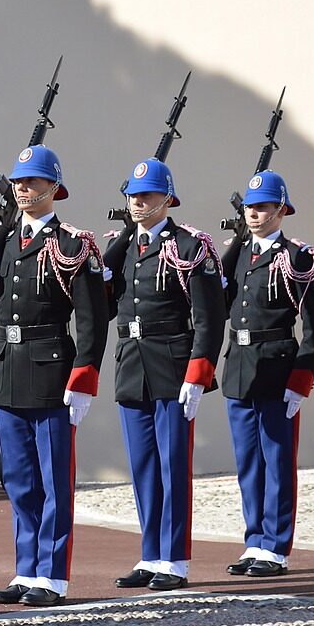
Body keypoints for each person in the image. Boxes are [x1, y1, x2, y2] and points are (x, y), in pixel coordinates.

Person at [0, 145, 106, 607]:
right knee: (19, 479)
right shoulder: (5, 240)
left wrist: (84, 376)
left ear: (53, 187)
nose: (23, 189)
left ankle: (52, 574)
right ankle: (26, 568)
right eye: (18, 182)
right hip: (9, 368)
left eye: (32, 182)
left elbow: (91, 319)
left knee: (52, 480)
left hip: (51, 371)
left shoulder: (73, 244)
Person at [103, 159, 225, 591]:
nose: (138, 202)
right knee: (143, 467)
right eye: (133, 195)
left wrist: (198, 373)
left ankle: (174, 559)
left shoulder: (190, 247)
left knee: (172, 464)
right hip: (132, 364)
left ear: (167, 199)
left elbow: (209, 318)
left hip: (173, 365)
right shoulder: (122, 249)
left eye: (148, 195)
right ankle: (150, 553)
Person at [220, 170, 314, 577]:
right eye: (250, 206)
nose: (254, 213)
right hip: (239, 367)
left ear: (282, 210)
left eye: (263, 206)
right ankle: (254, 540)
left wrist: (302, 378)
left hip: (277, 369)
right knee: (248, 461)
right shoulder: (236, 255)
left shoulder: (300, 258)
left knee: (277, 459)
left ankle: (276, 546)